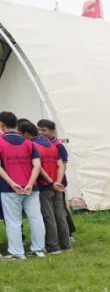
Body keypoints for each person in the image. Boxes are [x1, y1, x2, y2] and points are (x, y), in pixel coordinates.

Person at [0, 111, 45, 259]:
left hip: (9, 189)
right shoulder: (29, 143)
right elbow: (37, 165)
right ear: (16, 124)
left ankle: (17, 253)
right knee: (36, 218)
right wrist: (30, 184)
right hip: (32, 188)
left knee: (13, 221)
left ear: (1, 125)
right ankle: (39, 249)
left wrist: (11, 183)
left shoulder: (1, 142)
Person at [18, 120, 64, 255]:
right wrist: (58, 182)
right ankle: (65, 244)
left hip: (45, 186)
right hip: (56, 186)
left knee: (48, 217)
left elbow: (39, 167)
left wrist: (51, 182)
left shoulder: (33, 145)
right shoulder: (52, 144)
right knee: (60, 216)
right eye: (39, 129)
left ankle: (53, 247)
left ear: (26, 134)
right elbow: (61, 165)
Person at [36, 118, 74, 244]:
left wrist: (56, 182)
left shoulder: (58, 145)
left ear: (52, 131)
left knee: (61, 212)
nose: (41, 133)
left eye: (44, 130)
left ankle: (68, 234)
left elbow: (63, 166)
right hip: (51, 183)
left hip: (58, 183)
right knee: (56, 213)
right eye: (39, 130)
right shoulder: (42, 144)